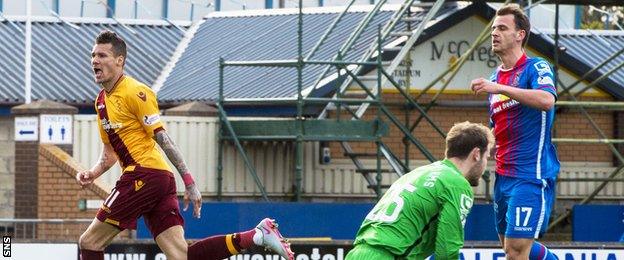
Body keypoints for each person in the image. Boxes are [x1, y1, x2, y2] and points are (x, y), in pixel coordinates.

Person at [76, 30, 294, 260]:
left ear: (119, 61)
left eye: (102, 55)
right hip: (157, 179)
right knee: (181, 256)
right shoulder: (101, 102)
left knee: (89, 241)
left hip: (143, 175)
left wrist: (189, 181)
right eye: (93, 55)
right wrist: (93, 172)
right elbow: (109, 153)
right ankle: (256, 235)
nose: (94, 61)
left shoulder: (136, 92)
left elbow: (163, 139)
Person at [470, 4, 560, 260]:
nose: (494, 33)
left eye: (502, 28)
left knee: (516, 252)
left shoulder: (536, 67)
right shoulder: (496, 75)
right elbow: (495, 129)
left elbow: (546, 100)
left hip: (531, 175)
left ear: (520, 34)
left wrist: (498, 87)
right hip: (503, 177)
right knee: (513, 250)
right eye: (493, 29)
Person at [346, 121, 494, 259]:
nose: (486, 164)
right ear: (476, 154)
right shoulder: (457, 184)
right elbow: (447, 250)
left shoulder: (417, 174)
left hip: (357, 253)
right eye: (487, 157)